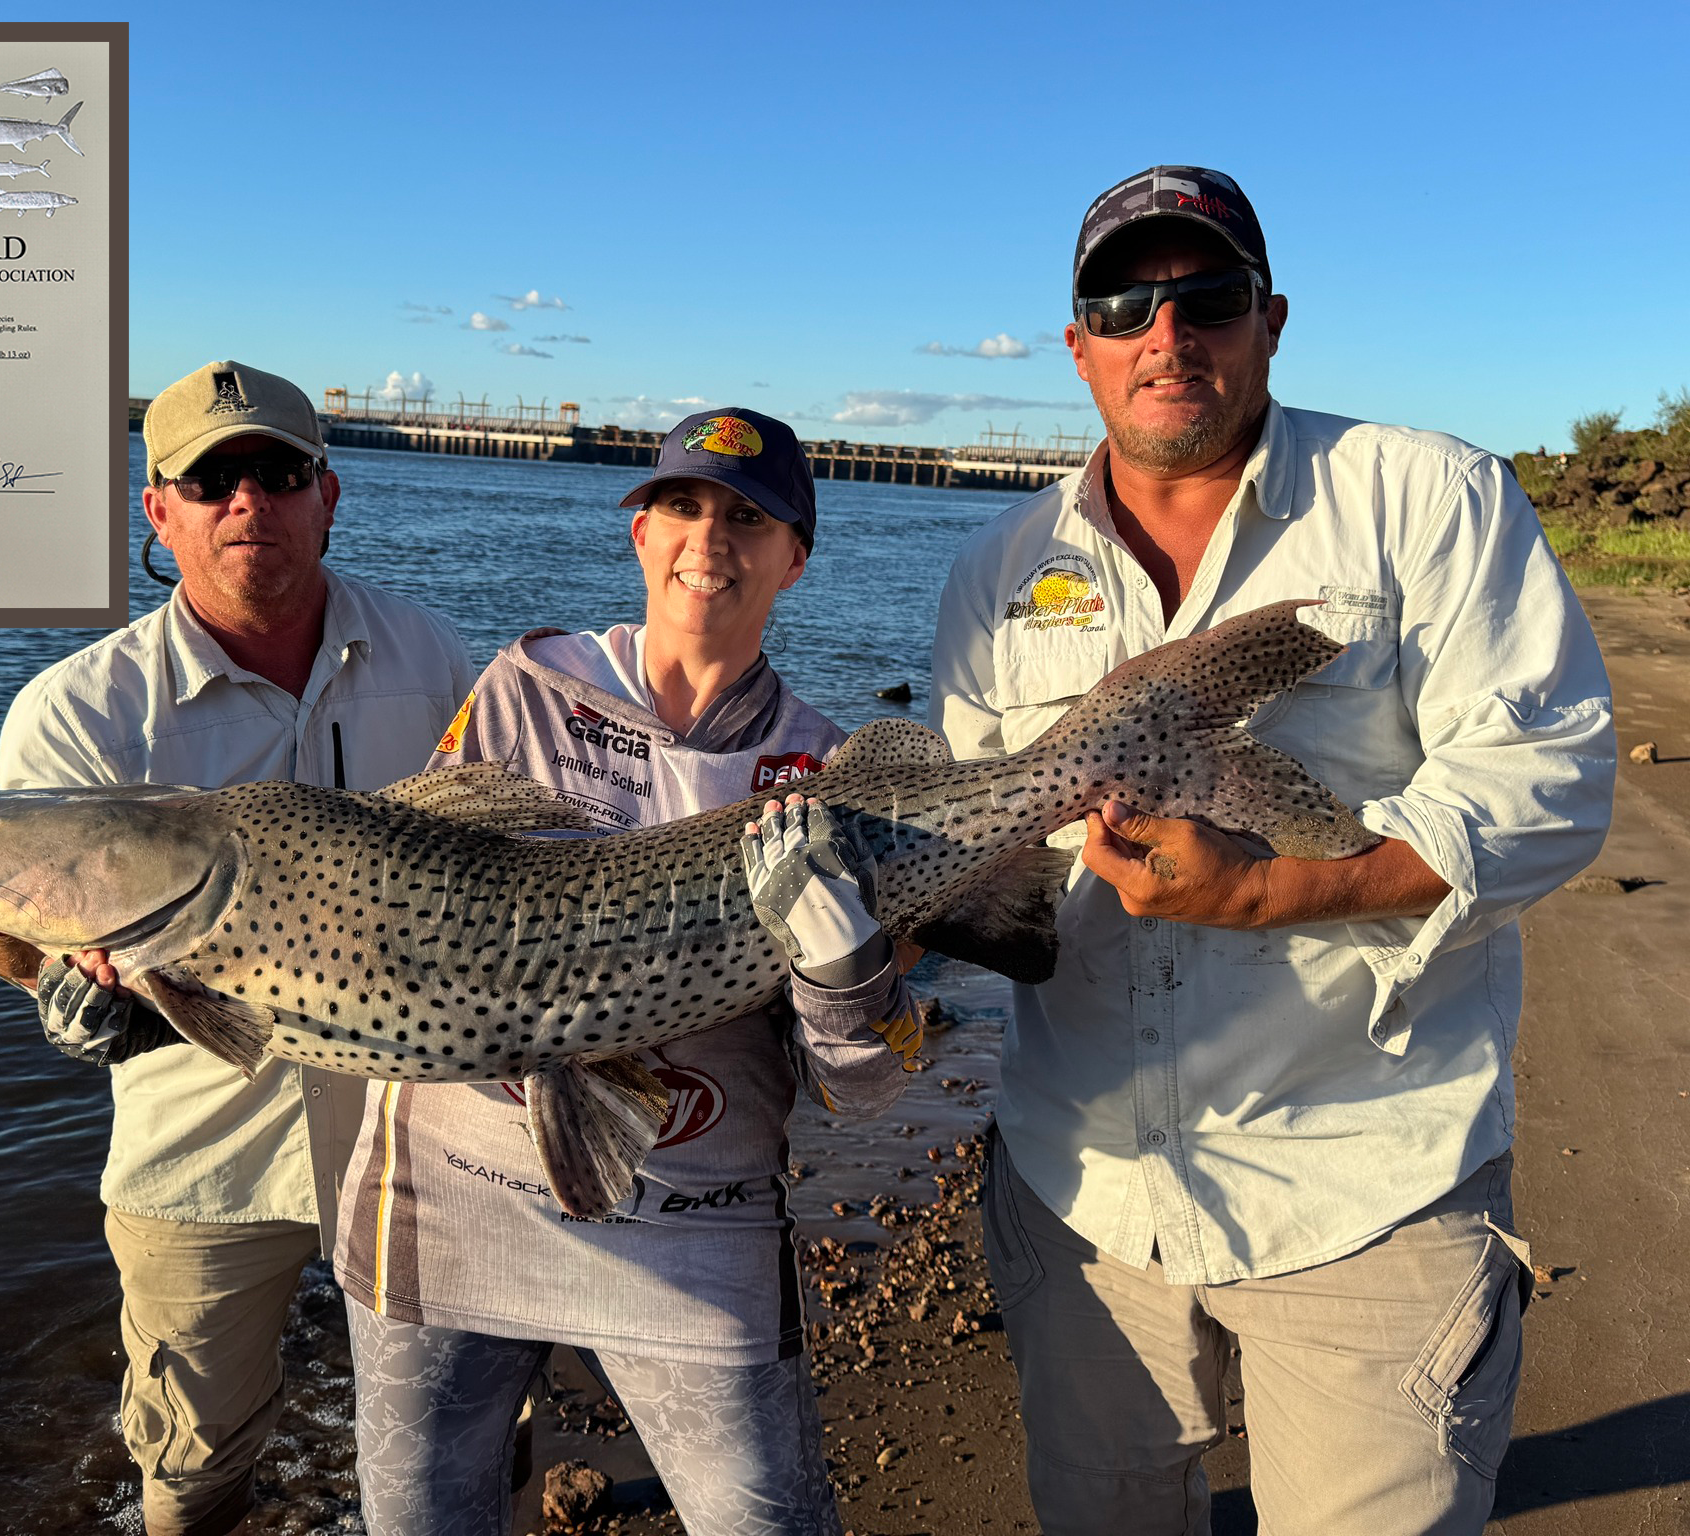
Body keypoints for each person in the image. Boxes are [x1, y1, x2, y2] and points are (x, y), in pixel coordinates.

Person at [931, 166, 1615, 1534]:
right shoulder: (994, 571)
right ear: (1078, 345)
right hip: (1085, 1196)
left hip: (1369, 1187)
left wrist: (1301, 887)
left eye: (1206, 297)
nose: (1164, 334)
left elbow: (1554, 769)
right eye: (1123, 302)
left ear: (1271, 319)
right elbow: (967, 844)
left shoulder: (1429, 498)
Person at [0, 359, 475, 1536]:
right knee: (192, 1452)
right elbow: (21, 932)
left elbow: (499, 850)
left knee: (452, 1429)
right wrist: (50, 983)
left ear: (327, 495)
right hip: (203, 1149)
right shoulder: (77, 712)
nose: (247, 502)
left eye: (277, 471)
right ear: (156, 509)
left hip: (426, 1129)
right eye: (210, 477)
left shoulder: (434, 657)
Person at [332, 408, 928, 1535]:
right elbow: (400, 917)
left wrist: (849, 973)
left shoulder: (830, 775)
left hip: (696, 1220)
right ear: (639, 536)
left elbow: (864, 1080)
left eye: (748, 518)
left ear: (794, 558)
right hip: (449, 1200)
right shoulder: (524, 686)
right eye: (680, 507)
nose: (710, 537)